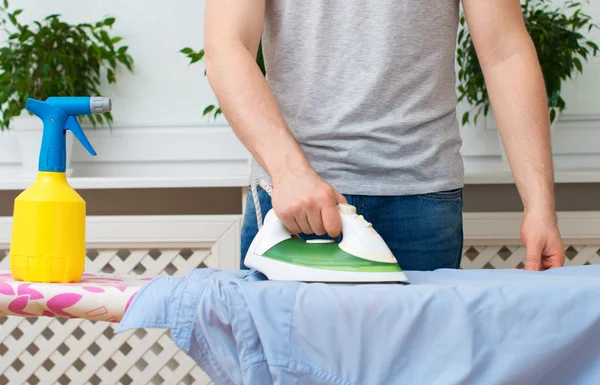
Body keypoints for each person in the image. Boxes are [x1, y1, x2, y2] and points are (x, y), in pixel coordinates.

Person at [203, 0, 565, 271]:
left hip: (420, 200)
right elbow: (227, 47)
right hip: (294, 201)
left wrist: (539, 206)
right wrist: (290, 173)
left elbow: (505, 50)